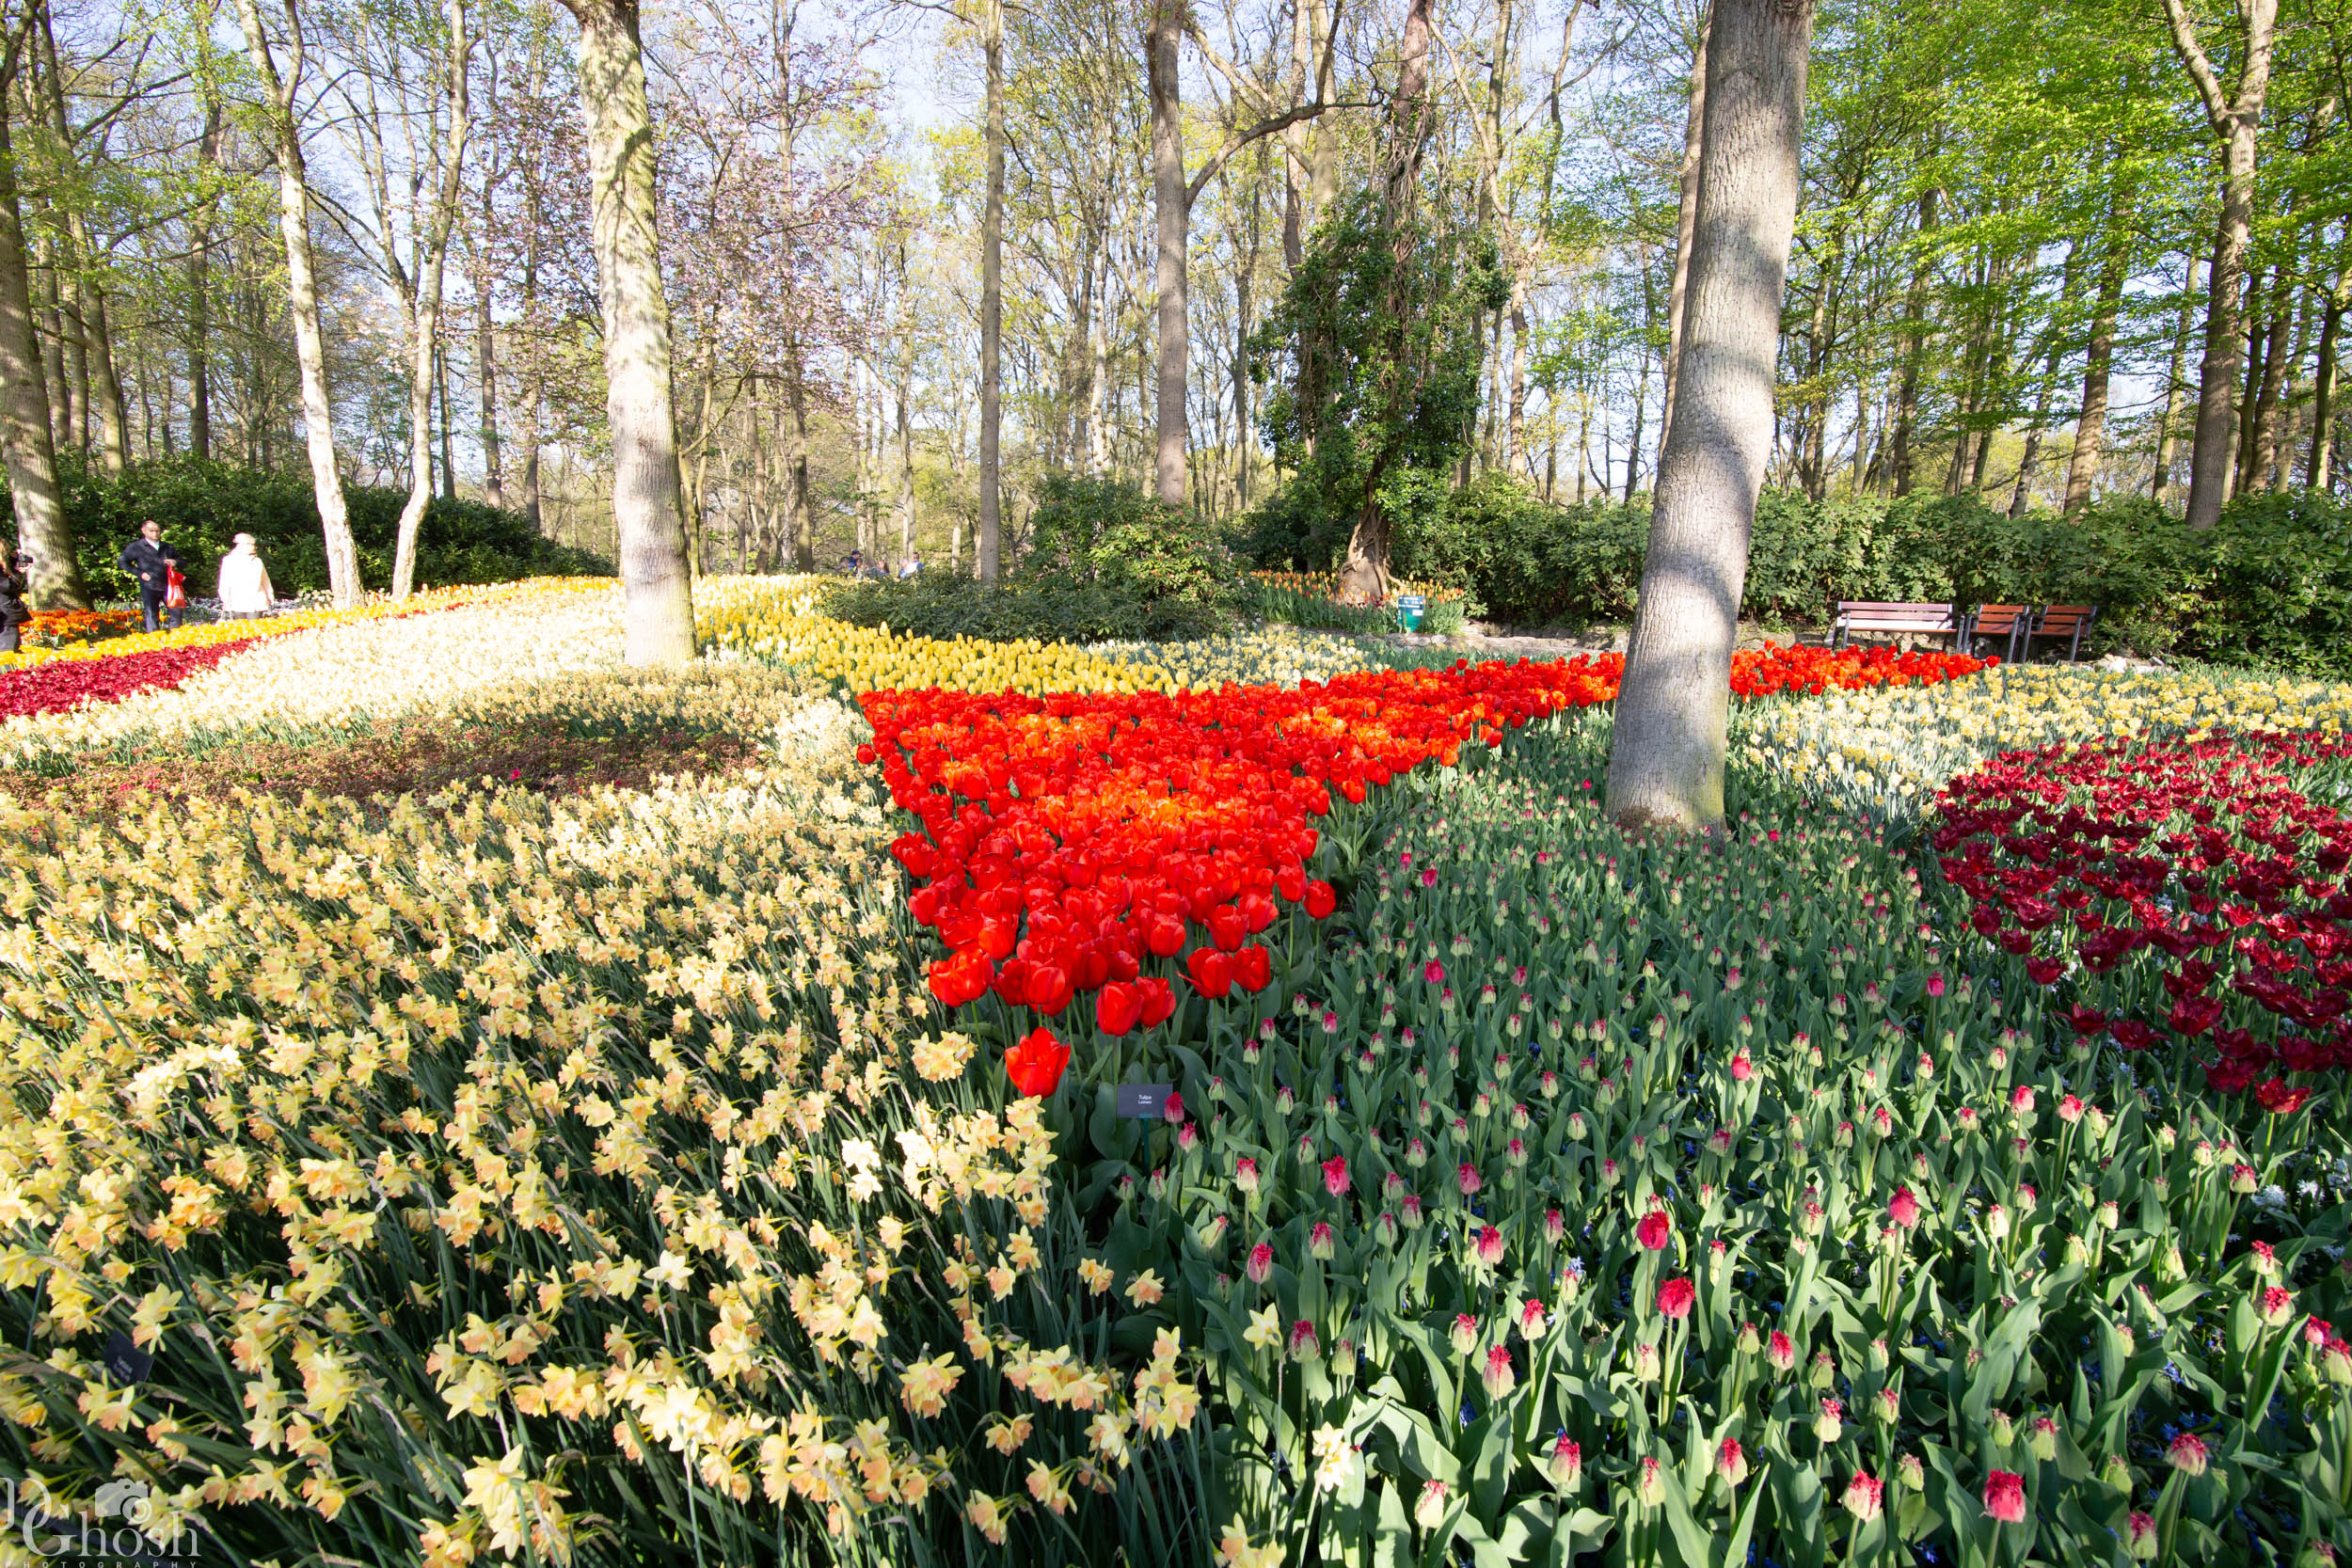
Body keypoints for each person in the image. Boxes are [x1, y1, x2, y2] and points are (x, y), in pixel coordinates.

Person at [118, 519, 183, 632]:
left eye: (157, 531)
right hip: (149, 585)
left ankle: (177, 640)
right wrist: (140, 573)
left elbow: (182, 561)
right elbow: (122, 562)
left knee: (176, 613)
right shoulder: (136, 547)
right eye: (151, 531)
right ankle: (154, 643)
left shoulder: (167, 547)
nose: (155, 533)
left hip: (169, 585)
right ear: (143, 531)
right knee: (152, 614)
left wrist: (175, 562)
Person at [215, 533, 276, 620]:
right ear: (243, 545)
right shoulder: (229, 561)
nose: (255, 547)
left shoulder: (257, 561)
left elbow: (265, 580)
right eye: (252, 544)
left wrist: (270, 595)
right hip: (237, 600)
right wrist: (225, 597)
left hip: (256, 601)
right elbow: (224, 581)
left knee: (255, 628)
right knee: (241, 628)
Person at [0, 546, 28, 654]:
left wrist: (13, 562)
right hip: (5, 613)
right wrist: (18, 572)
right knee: (7, 653)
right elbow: (6, 586)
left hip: (5, 612)